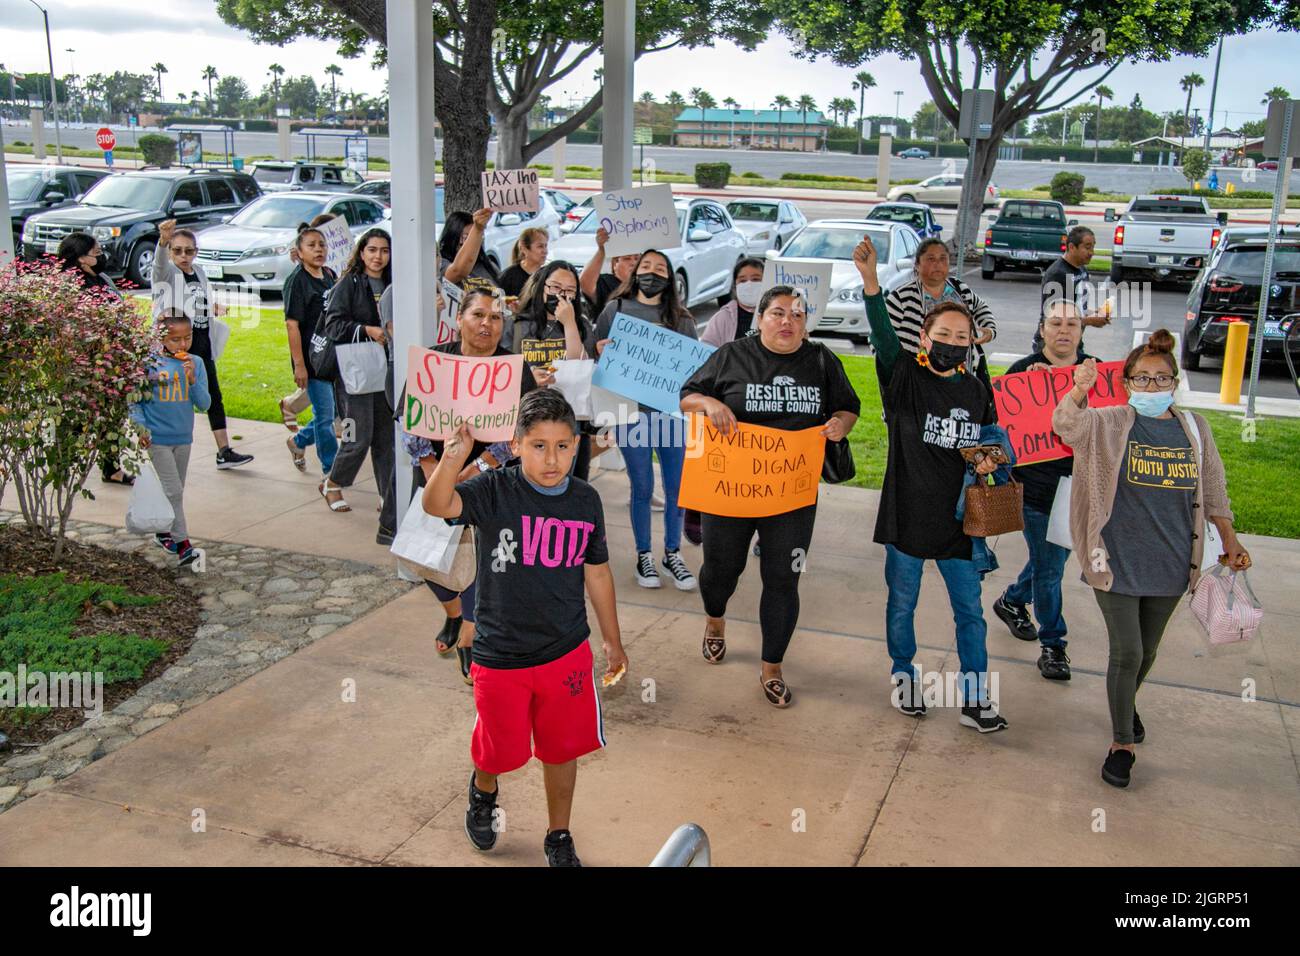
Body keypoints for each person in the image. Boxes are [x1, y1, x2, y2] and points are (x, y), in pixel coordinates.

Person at [422, 389, 628, 867]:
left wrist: (612, 640)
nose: (551, 458)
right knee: (500, 751)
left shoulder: (585, 500)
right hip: (501, 653)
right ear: (514, 445)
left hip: (565, 651)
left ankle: (559, 835)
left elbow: (597, 572)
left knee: (561, 750)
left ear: (576, 446)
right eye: (538, 445)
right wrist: (452, 458)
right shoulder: (495, 490)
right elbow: (438, 505)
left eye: (562, 445)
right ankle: (483, 787)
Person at [1052, 330, 1250, 788]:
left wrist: (1230, 539)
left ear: (1175, 382)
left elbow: (1215, 492)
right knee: (1128, 651)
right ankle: (1122, 744)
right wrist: (1080, 389)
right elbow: (1067, 427)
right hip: (1115, 557)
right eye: (1141, 379)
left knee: (1149, 650)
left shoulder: (1195, 430)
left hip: (1173, 561)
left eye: (1161, 379)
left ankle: (1125, 704)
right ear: (1126, 384)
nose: (1151, 386)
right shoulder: (1110, 422)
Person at [681, 286, 861, 708]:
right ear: (759, 318)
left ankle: (772, 665)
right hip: (729, 490)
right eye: (777, 313)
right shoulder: (731, 355)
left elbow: (849, 408)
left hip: (792, 493)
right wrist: (708, 402)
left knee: (783, 578)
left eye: (796, 315)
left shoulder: (820, 360)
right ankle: (715, 619)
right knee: (722, 568)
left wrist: (839, 424)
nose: (787, 321)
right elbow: (686, 398)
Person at [856, 236, 1008, 733]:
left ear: (972, 344)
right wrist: (872, 283)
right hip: (907, 518)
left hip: (961, 526)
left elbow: (992, 447)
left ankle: (976, 697)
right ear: (924, 337)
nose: (952, 341)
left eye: (962, 336)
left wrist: (991, 463)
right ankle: (904, 677)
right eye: (943, 333)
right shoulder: (902, 377)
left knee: (971, 614)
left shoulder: (976, 388)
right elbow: (881, 336)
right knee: (902, 604)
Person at [402, 288, 538, 683]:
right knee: (427, 556)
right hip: (435, 471)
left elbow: (520, 429)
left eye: (496, 317)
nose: (487, 324)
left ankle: (470, 635)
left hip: (492, 478)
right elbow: (411, 421)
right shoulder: (435, 360)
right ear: (459, 318)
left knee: (482, 559)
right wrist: (439, 475)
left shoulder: (514, 369)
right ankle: (455, 614)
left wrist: (474, 468)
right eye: (478, 315)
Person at [991, 299, 1095, 682]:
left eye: (1072, 323)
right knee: (1050, 571)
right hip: (1035, 492)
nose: (1064, 330)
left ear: (1082, 331)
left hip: (1080, 491)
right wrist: (1035, 386)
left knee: (1049, 562)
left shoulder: (1096, 373)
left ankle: (1013, 600)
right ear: (1042, 329)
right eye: (1056, 323)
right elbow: (999, 429)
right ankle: (1054, 646)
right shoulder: (1021, 373)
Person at [587, 249, 698, 591]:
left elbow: (695, 368)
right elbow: (593, 349)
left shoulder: (682, 318)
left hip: (670, 414)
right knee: (642, 486)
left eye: (660, 267)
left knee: (677, 487)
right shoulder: (615, 309)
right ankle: (644, 555)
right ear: (635, 272)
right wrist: (601, 350)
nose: (652, 272)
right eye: (646, 266)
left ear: (670, 277)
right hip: (628, 412)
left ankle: (672, 552)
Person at [151, 219, 254, 470]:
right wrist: (163, 241)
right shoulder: (167, 273)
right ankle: (162, 448)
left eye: (189, 250)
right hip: (175, 343)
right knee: (168, 396)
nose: (184, 256)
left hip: (201, 339)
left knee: (212, 396)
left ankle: (224, 450)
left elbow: (199, 299)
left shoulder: (198, 271)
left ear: (196, 251)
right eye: (177, 250)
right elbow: (159, 266)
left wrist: (212, 307)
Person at [319, 228, 397, 545]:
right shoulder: (348, 284)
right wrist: (367, 330)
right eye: (372, 250)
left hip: (387, 371)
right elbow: (333, 325)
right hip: (355, 375)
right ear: (361, 252)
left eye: (384, 250)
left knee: (386, 438)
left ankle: (386, 495)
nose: (378, 256)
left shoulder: (395, 284)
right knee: (356, 435)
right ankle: (333, 482)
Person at [129, 309, 212, 568]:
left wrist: (193, 380)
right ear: (160, 337)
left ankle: (163, 531)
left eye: (187, 338)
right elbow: (135, 402)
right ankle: (183, 544)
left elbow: (205, 404)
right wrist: (142, 429)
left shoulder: (195, 363)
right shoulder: (148, 363)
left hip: (183, 437)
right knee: (174, 491)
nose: (183, 344)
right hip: (158, 438)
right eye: (176, 339)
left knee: (175, 489)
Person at [54, 232, 131, 485]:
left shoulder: (101, 278)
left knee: (111, 413)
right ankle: (62, 464)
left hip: (110, 358)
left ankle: (111, 467)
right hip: (84, 362)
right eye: (96, 253)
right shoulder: (69, 286)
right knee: (78, 415)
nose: (102, 256)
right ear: (80, 259)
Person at [884, 236, 997, 399]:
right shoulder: (901, 298)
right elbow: (882, 341)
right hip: (916, 387)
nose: (938, 264)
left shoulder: (960, 289)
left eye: (943, 258)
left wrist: (989, 330)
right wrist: (898, 373)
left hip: (961, 383)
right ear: (917, 264)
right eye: (931, 259)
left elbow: (981, 307)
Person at [510, 260, 593, 478]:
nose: (561, 295)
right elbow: (504, 369)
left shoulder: (580, 325)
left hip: (566, 418)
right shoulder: (518, 323)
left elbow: (578, 365)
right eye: (555, 287)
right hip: (525, 417)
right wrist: (529, 379)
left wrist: (569, 323)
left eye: (569, 291)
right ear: (541, 286)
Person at [282, 224, 339, 477]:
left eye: (322, 245)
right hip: (312, 359)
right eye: (311, 245)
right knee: (325, 416)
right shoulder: (297, 282)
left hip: (333, 357)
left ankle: (299, 441)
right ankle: (331, 470)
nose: (318, 249)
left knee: (334, 412)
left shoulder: (329, 275)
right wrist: (300, 364)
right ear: (299, 251)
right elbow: (292, 324)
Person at [1036, 226, 1110, 352]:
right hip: (1053, 345)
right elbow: (1055, 317)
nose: (1092, 252)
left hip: (1073, 341)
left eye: (1093, 247)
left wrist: (1095, 313)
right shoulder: (1057, 274)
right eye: (1087, 247)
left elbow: (1078, 306)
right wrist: (1090, 320)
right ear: (1071, 247)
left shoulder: (1081, 269)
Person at [699, 257, 766, 347]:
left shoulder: (777, 317)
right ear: (735, 285)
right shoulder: (722, 319)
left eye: (755, 279)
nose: (749, 284)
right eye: (743, 280)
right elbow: (706, 351)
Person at [579, 226, 639, 317]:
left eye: (637, 259)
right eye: (627, 258)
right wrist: (602, 250)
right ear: (615, 264)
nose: (633, 263)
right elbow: (585, 283)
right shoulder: (605, 282)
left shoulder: (644, 286)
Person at [439, 208, 500, 294]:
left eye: (476, 237)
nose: (472, 243)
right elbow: (457, 272)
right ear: (453, 236)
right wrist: (477, 229)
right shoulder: (441, 263)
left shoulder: (487, 265)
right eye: (466, 237)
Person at [498, 226, 549, 299]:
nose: (545, 251)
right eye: (540, 246)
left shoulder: (548, 276)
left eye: (546, 246)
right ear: (524, 249)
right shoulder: (508, 277)